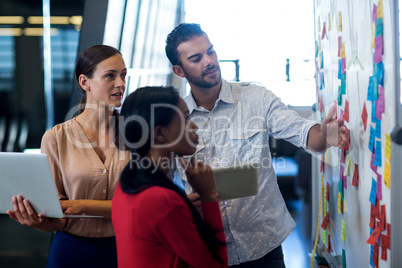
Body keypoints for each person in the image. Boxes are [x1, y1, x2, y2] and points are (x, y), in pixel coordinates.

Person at [165, 23, 349, 267]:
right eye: (196, 58)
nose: (209, 61)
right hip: (207, 248)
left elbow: (302, 132)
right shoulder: (176, 118)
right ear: (179, 70)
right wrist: (181, 205)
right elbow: (158, 183)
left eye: (211, 51)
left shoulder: (256, 97)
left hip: (264, 246)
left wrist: (324, 135)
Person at [7, 44, 131, 267]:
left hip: (128, 249)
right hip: (71, 252)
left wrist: (81, 205)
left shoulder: (137, 134)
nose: (121, 83)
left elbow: (142, 206)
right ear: (85, 83)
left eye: (123, 75)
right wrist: (40, 222)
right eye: (110, 76)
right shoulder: (56, 138)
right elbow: (59, 214)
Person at [112, 86, 228, 268]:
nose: (195, 127)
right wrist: (209, 197)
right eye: (186, 119)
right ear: (160, 133)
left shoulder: (127, 184)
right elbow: (217, 265)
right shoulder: (162, 199)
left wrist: (184, 208)